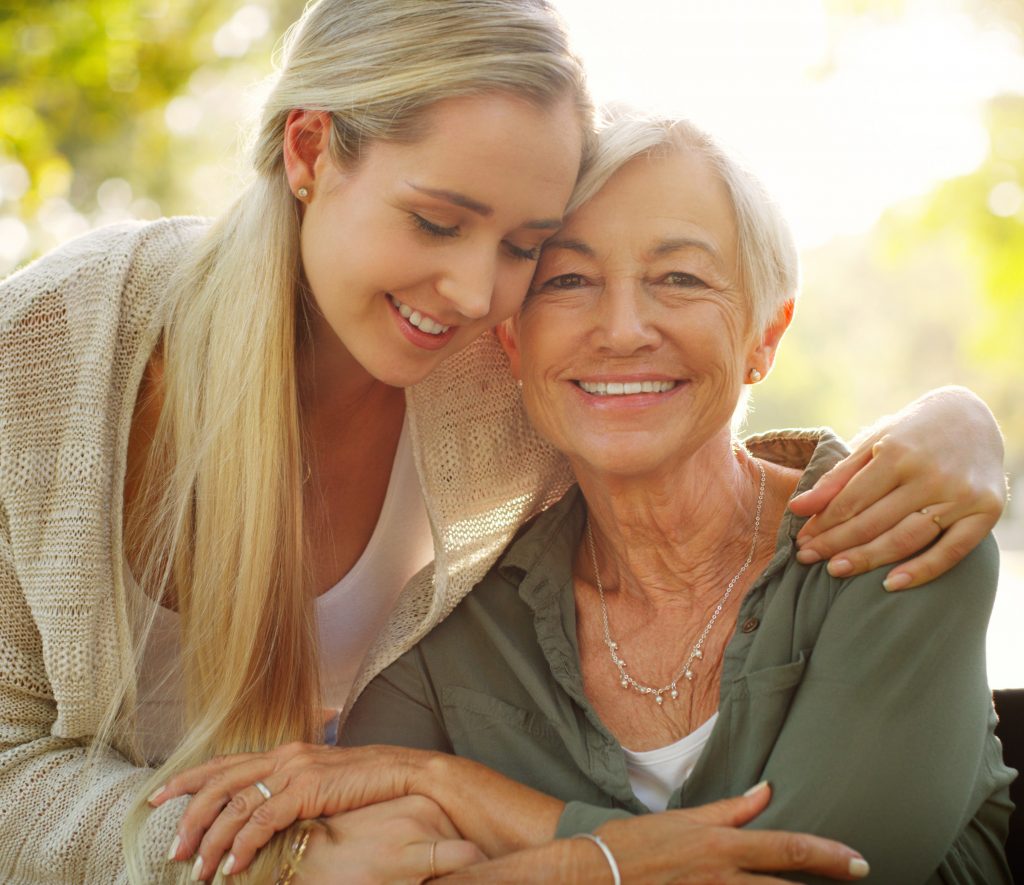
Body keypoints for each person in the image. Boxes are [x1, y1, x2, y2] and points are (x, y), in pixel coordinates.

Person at [0, 0, 1006, 880]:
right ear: (307, 150)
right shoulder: (50, 356)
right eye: (438, 222)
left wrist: (960, 421)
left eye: (528, 248)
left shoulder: (496, 367)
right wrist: (276, 866)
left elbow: (675, 404)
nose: (481, 294)